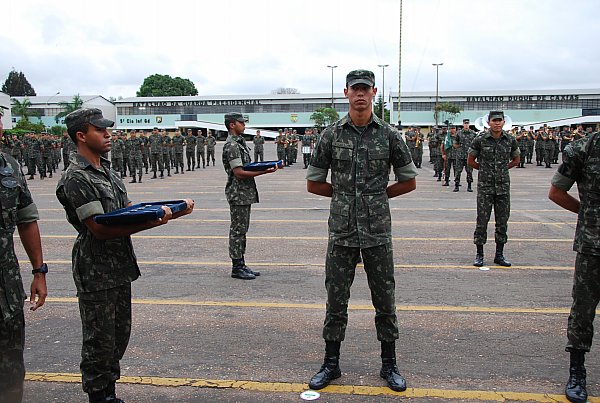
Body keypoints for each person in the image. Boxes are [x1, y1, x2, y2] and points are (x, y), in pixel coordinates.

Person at [56, 108, 194, 403]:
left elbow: (126, 210)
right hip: (96, 268)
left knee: (118, 336)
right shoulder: (77, 177)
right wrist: (155, 220)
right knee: (98, 341)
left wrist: (168, 210)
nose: (108, 134)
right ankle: (98, 395)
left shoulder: (107, 170)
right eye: (100, 130)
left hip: (119, 264)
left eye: (108, 129)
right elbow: (99, 229)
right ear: (81, 135)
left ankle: (110, 392)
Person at [306, 69, 417, 392]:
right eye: (354, 89)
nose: (359, 94)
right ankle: (331, 363)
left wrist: (378, 198)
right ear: (345, 93)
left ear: (374, 93)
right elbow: (314, 183)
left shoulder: (390, 135)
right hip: (341, 231)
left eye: (365, 89)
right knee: (336, 300)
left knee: (385, 300)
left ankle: (389, 364)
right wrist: (344, 197)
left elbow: (408, 180)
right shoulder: (331, 135)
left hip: (377, 231)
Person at [548, 131, 600, 403]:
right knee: (583, 309)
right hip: (594, 245)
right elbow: (557, 192)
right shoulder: (583, 148)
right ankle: (577, 372)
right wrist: (588, 213)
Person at [0, 136, 47, 403]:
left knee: (11, 366)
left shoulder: (10, 166)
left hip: (7, 289)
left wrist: (39, 271)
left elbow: (27, 220)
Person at [222, 112, 278, 280]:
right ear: (232, 125)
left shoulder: (239, 143)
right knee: (238, 230)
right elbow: (239, 173)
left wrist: (260, 167)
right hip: (238, 193)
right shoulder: (232, 145)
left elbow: (246, 167)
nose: (244, 125)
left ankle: (241, 263)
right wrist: (264, 171)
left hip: (244, 193)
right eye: (241, 122)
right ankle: (237, 266)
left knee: (242, 230)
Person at [467, 111, 520, 267]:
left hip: (503, 187)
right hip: (485, 187)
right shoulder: (480, 139)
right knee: (482, 221)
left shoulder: (510, 140)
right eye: (494, 120)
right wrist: (484, 170)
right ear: (488, 122)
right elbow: (471, 160)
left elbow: (516, 159)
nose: (497, 123)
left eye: (500, 120)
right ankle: (479, 254)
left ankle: (499, 254)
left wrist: (503, 169)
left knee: (502, 222)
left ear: (503, 122)